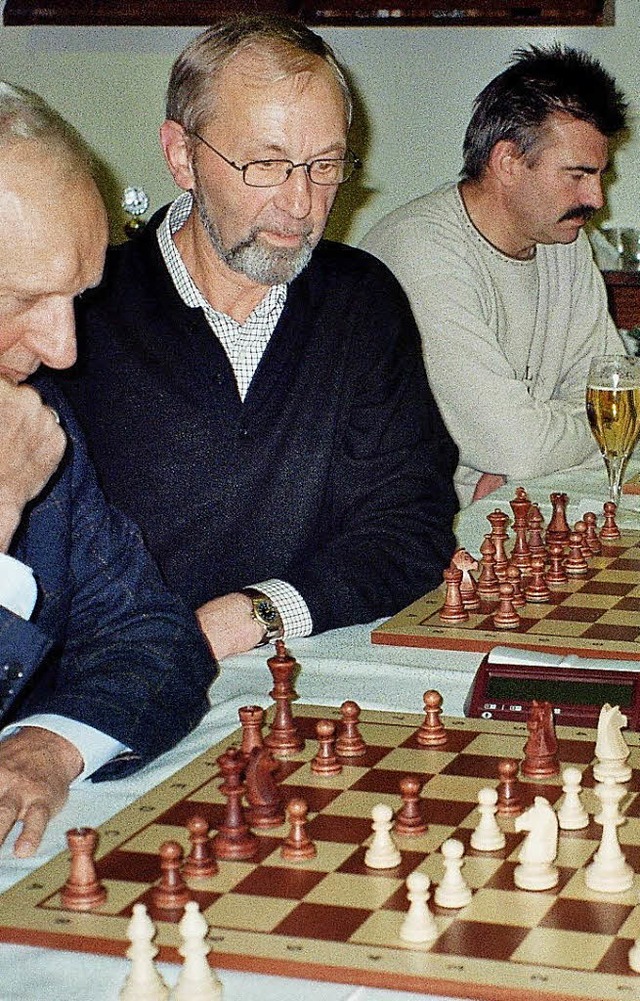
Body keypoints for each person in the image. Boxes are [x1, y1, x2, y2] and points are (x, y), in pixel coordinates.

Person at [58, 15, 459, 661]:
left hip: (311, 660)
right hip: (117, 685)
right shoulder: (77, 318)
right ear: (182, 156)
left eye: (325, 164)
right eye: (267, 164)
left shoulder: (360, 301)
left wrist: (254, 613)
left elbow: (410, 526)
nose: (301, 203)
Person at [0, 82, 216, 857]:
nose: (64, 348)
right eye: (24, 298)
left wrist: (52, 744)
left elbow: (155, 634)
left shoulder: (34, 414)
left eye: (77, 298)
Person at [362, 44, 628, 507]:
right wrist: (529, 449)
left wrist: (530, 450)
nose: (596, 198)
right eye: (578, 175)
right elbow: (522, 445)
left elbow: (614, 394)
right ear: (506, 162)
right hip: (417, 532)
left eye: (599, 176)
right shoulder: (421, 253)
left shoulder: (564, 239)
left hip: (516, 503)